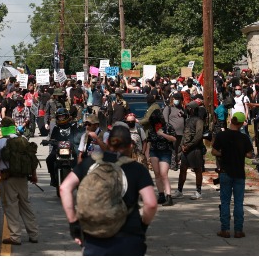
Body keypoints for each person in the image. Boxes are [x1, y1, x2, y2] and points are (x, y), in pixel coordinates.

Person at [59, 125, 157, 255]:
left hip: (95, 238)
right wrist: (143, 226)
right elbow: (151, 204)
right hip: (129, 239)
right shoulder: (137, 169)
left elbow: (64, 188)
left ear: (106, 142)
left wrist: (73, 224)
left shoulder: (89, 163)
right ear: (130, 146)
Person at [0, 117, 39, 246]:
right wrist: (34, 175)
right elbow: (31, 159)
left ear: (2, 128)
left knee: (11, 206)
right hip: (23, 178)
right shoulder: (23, 140)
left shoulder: (0, 142)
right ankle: (33, 234)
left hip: (8, 179)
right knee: (25, 205)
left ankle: (15, 236)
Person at [211, 112, 254, 238]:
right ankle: (238, 230)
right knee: (238, 202)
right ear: (241, 124)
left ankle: (225, 229)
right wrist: (240, 153)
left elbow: (213, 151)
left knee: (225, 202)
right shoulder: (244, 138)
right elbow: (250, 154)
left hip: (225, 172)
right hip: (239, 173)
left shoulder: (222, 135)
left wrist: (223, 154)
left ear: (231, 120)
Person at [172, 101, 205, 200]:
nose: (188, 110)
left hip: (195, 149)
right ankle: (179, 190)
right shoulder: (188, 120)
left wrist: (189, 145)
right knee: (183, 169)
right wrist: (181, 147)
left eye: (189, 108)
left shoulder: (199, 121)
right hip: (185, 149)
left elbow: (198, 135)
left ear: (194, 109)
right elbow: (184, 134)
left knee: (197, 170)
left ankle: (198, 191)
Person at [146, 108, 177, 207]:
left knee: (164, 174)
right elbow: (149, 141)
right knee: (157, 174)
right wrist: (147, 154)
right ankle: (161, 195)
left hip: (165, 151)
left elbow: (174, 138)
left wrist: (162, 134)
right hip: (154, 151)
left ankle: (169, 196)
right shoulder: (151, 128)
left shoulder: (167, 126)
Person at [46, 108, 80, 188]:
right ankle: (53, 178)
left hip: (71, 149)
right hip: (58, 149)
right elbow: (52, 138)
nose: (61, 118)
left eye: (63, 116)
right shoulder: (56, 128)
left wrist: (79, 139)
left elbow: (78, 135)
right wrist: (49, 141)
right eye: (59, 117)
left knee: (79, 159)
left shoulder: (72, 126)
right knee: (49, 159)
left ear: (67, 116)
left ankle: (79, 178)